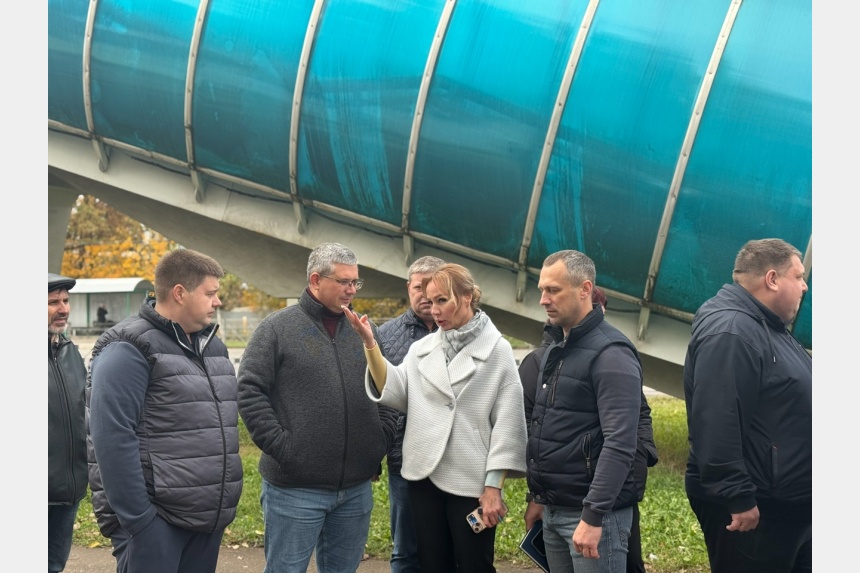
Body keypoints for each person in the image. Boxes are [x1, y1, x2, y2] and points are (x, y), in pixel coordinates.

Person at [344, 262, 528, 573]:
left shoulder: (497, 350)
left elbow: (508, 424)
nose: (435, 310)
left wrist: (493, 487)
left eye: (443, 300)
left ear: (467, 296)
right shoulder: (422, 348)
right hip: (423, 478)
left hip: (471, 482)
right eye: (431, 301)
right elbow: (396, 390)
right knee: (431, 565)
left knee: (474, 566)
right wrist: (370, 344)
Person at [237, 242, 398, 573]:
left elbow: (387, 389)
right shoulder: (277, 329)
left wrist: (378, 441)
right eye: (343, 282)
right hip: (294, 489)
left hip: (355, 490)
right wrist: (285, 448)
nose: (352, 290)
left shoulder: (366, 332)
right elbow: (250, 390)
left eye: (355, 282)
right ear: (315, 280)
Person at [87, 248, 243, 573]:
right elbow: (112, 439)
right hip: (156, 526)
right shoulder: (128, 349)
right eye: (210, 293)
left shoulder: (212, 347)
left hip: (206, 522)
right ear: (180, 293)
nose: (217, 302)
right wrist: (141, 522)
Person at [684, 238, 811, 573]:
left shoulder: (766, 326)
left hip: (787, 506)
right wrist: (737, 497)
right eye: (798, 276)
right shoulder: (733, 332)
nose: (804, 286)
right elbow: (717, 421)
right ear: (772, 279)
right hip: (757, 512)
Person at [519, 287, 657, 573]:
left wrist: (641, 454)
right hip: (556, 507)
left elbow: (628, 428)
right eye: (542, 289)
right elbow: (537, 431)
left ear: (584, 294)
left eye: (552, 290)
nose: (543, 299)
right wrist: (538, 497)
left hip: (598, 507)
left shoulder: (612, 353)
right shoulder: (546, 356)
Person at [377, 255, 445, 573]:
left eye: (433, 288)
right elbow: (376, 400)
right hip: (403, 462)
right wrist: (375, 453)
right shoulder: (385, 337)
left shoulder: (462, 332)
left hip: (453, 462)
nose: (426, 295)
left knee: (449, 547)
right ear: (408, 288)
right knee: (406, 551)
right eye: (419, 287)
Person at [48, 273, 88, 573]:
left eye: (65, 300)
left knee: (53, 565)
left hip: (67, 490)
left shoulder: (70, 352)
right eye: (53, 302)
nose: (63, 309)